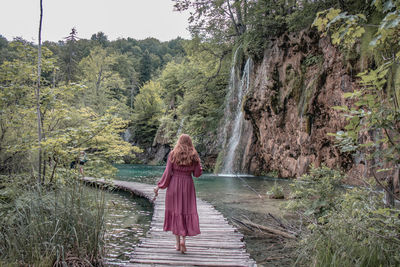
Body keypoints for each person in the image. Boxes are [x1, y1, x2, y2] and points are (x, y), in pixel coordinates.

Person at [154, 134, 202, 254]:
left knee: (176, 212)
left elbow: (168, 172)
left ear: (179, 142)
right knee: (186, 211)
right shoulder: (194, 155)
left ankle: (177, 243)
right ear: (190, 142)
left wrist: (160, 186)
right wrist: (199, 168)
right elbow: (196, 174)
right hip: (188, 185)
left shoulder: (173, 154)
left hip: (174, 185)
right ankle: (183, 241)